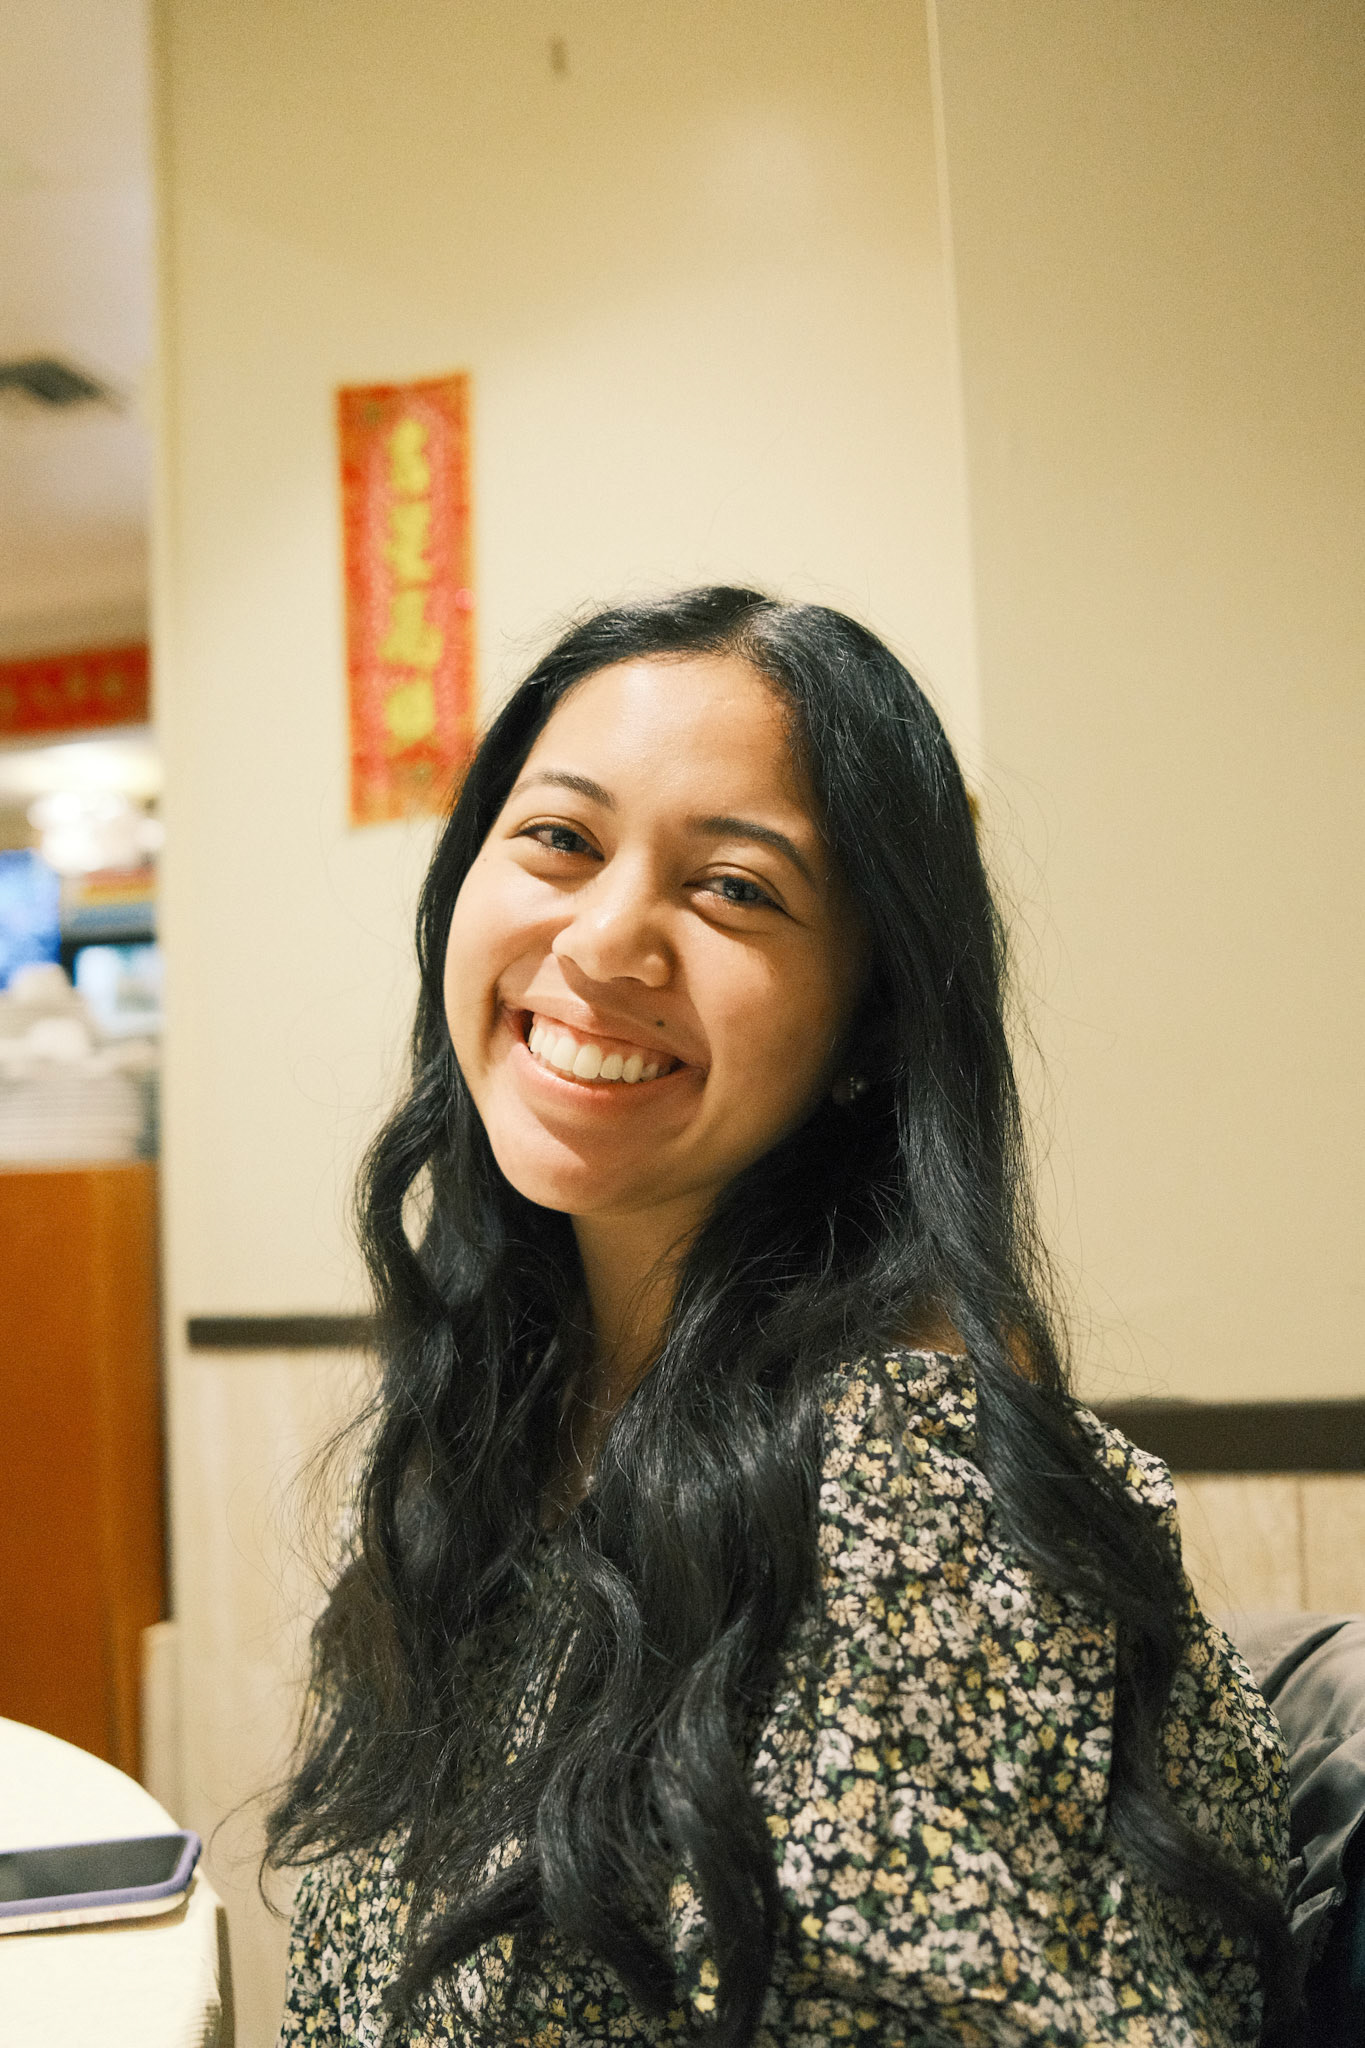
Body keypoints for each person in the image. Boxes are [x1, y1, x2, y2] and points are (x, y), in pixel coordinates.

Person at [270, 588, 1290, 2047]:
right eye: (559, 839)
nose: (605, 942)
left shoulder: (909, 1479)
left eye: (736, 890)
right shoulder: (504, 1411)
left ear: (869, 1025)